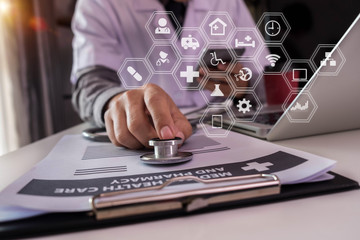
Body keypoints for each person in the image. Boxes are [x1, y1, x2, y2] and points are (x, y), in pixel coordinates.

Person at [71, 0, 266, 149]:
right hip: (143, 135)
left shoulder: (229, 3)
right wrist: (118, 104)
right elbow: (89, 84)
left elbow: (261, 74)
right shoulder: (100, 4)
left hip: (224, 129)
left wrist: (245, 86)